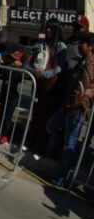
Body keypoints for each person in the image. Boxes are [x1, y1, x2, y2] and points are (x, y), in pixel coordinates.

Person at [47, 32, 94, 188]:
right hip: (68, 105)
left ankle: (60, 178)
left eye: (83, 43)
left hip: (78, 108)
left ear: (90, 46)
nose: (80, 46)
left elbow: (86, 88)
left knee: (70, 143)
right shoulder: (83, 61)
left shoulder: (91, 64)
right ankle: (63, 164)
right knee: (52, 126)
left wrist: (77, 104)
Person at [27, 18, 67, 158]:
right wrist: (33, 70)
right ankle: (30, 143)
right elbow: (32, 59)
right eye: (47, 28)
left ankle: (39, 148)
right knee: (35, 113)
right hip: (37, 81)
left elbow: (60, 67)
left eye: (51, 28)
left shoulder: (61, 46)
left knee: (44, 115)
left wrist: (45, 74)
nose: (48, 30)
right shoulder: (41, 43)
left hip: (50, 84)